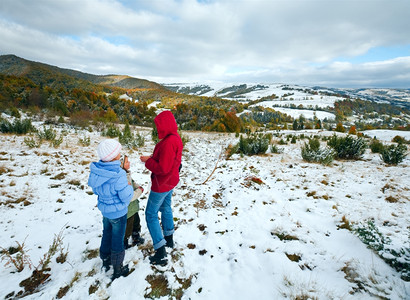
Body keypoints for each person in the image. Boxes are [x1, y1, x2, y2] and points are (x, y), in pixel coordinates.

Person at [140, 110, 183, 266]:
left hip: (162, 184)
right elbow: (170, 162)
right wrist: (152, 158)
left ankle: (161, 253)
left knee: (150, 214)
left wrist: (148, 162)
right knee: (166, 208)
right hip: (171, 181)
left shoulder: (167, 142)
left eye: (158, 126)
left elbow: (163, 168)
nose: (157, 129)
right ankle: (169, 240)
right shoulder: (175, 138)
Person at [88, 139, 133, 280]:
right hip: (119, 213)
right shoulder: (118, 174)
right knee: (117, 239)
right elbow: (126, 196)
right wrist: (130, 187)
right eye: (118, 152)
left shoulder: (96, 171)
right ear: (114, 156)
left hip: (105, 211)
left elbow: (96, 190)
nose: (120, 154)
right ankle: (118, 268)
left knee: (106, 233)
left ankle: (105, 260)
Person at [122, 155, 145, 249]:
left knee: (136, 222)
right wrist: (139, 191)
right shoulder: (122, 177)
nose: (129, 163)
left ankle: (136, 236)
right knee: (127, 227)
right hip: (128, 210)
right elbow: (129, 197)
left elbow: (132, 182)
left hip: (133, 208)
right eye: (127, 162)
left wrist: (137, 186)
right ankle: (124, 242)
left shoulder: (127, 174)